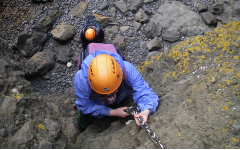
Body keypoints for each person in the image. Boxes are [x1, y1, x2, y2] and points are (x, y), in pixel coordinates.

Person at [74, 16, 159, 131]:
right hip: (102, 101)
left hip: (120, 95)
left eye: (112, 91)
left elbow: (143, 91)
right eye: (106, 94)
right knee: (83, 117)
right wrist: (112, 112)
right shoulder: (81, 79)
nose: (109, 95)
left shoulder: (127, 69)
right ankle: (82, 127)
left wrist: (146, 110)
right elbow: (85, 105)